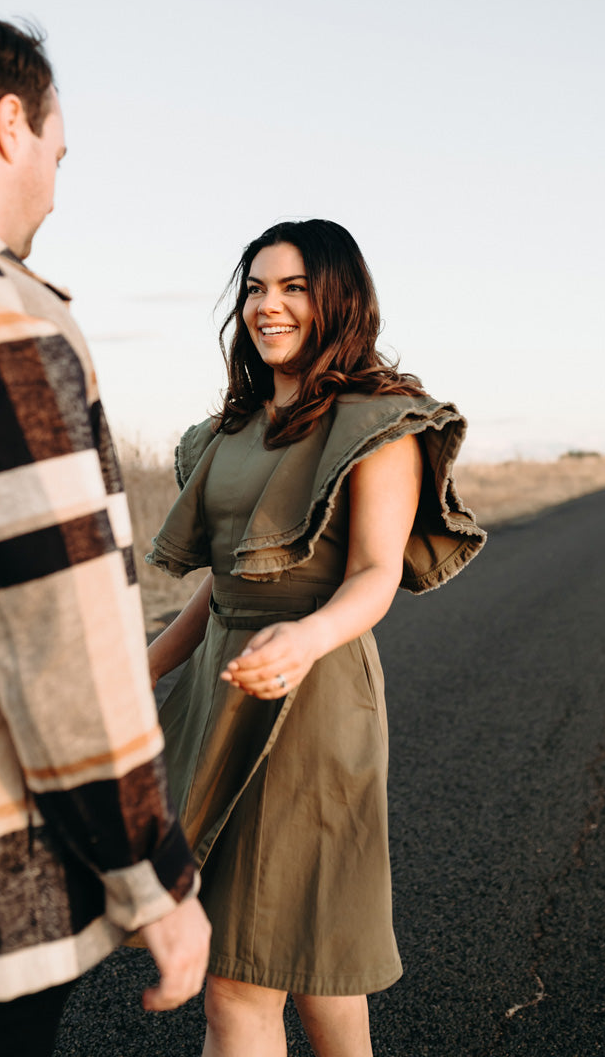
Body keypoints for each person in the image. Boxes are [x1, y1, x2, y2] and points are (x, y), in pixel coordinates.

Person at [0, 0, 210, 1057]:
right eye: (56, 152)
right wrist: (153, 882)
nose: (53, 187)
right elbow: (58, 640)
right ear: (5, 124)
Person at [146, 218, 486, 1056]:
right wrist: (135, 675)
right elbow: (224, 591)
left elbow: (374, 573)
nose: (269, 307)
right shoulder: (229, 431)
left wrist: (304, 639)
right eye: (257, 289)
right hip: (215, 698)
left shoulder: (381, 421)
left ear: (338, 300)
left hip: (314, 693)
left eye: (294, 288)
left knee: (243, 973)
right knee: (316, 973)